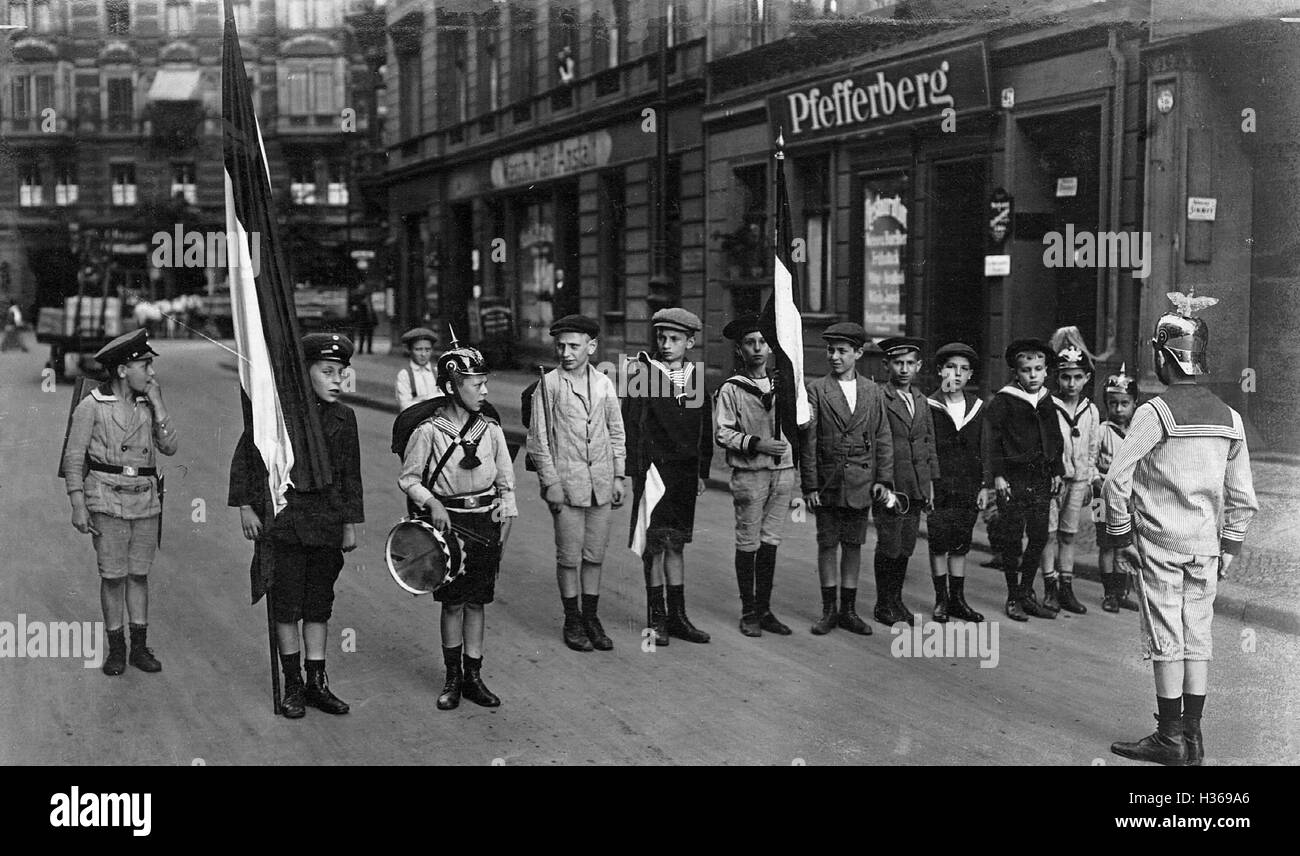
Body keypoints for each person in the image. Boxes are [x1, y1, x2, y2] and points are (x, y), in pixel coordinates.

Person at [1106, 293, 1258, 766]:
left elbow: (1117, 478)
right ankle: (1193, 739)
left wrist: (1120, 537)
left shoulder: (1155, 413)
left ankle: (1169, 738)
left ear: (1162, 355)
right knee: (1199, 638)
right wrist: (1229, 547)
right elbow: (1243, 495)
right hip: (1206, 548)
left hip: (1158, 546)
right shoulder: (1230, 418)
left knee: (1165, 639)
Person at [229, 333, 363, 719]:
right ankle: (292, 684)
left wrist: (352, 523)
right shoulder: (278, 414)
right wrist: (245, 507)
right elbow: (247, 458)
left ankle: (316, 681)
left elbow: (350, 476)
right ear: (305, 375)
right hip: (286, 523)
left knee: (319, 605)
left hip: (326, 524)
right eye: (327, 372)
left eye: (341, 372)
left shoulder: (344, 418)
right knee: (286, 606)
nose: (337, 380)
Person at [399, 335, 517, 709]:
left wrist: (506, 514)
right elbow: (409, 479)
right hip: (447, 526)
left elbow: (506, 483)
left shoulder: (493, 430)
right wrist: (431, 501)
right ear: (452, 386)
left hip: (485, 523)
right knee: (452, 604)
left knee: (478, 602)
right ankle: (451, 678)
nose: (485, 390)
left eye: (486, 383)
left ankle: (473, 678)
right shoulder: (429, 432)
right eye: (477, 384)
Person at [62, 329, 178, 675]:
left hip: (144, 498)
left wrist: (158, 404)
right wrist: (78, 503)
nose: (152, 373)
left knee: (139, 574)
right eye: (146, 365)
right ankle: (117, 648)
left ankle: (139, 648)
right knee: (113, 576)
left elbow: (170, 447)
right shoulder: (92, 406)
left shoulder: (148, 404)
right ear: (124, 369)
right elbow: (73, 458)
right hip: (106, 497)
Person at [527, 314, 626, 652]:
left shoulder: (604, 384)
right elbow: (538, 440)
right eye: (560, 346)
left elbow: (616, 432)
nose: (565, 352)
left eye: (573, 345)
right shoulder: (550, 384)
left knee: (595, 554)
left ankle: (592, 618)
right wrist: (550, 482)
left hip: (601, 483)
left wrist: (619, 475)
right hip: (566, 487)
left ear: (591, 346)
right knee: (569, 557)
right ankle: (572, 618)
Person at [624, 307, 713, 646]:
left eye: (675, 339)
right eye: (662, 337)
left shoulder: (697, 377)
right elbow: (631, 426)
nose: (666, 344)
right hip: (654, 473)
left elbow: (704, 427)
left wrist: (702, 471)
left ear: (690, 341)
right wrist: (634, 473)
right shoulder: (642, 374)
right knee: (654, 546)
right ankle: (656, 618)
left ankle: (677, 617)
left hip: (685, 475)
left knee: (677, 543)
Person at [799, 322, 893, 636]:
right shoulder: (817, 389)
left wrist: (884, 480)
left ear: (858, 353)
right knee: (827, 544)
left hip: (861, 481)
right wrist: (810, 484)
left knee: (853, 544)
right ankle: (829, 611)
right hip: (828, 481)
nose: (835, 357)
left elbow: (882, 437)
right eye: (831, 350)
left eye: (842, 351)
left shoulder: (872, 390)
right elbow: (809, 441)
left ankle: (849, 611)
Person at [714, 314, 795, 638]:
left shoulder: (784, 383)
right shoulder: (732, 389)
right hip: (751, 473)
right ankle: (748, 610)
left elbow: (803, 420)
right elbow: (723, 433)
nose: (757, 348)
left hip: (783, 471)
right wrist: (756, 443)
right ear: (739, 350)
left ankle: (765, 609)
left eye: (763, 342)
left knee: (770, 540)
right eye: (750, 343)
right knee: (748, 541)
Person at [982, 338, 1064, 621]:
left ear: (1045, 371)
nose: (1033, 375)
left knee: (1040, 536)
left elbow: (1055, 437)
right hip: (1014, 478)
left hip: (1040, 477)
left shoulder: (1046, 399)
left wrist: (1057, 470)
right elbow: (992, 440)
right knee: (1013, 538)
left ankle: (1027, 590)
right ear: (1016, 372)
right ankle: (1013, 595)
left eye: (1038, 369)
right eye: (1026, 370)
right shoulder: (1004, 400)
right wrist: (998, 475)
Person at [873, 337, 939, 627]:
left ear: (919, 366)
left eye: (909, 363)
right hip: (891, 483)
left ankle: (896, 599)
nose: (903, 369)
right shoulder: (879, 398)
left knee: (906, 545)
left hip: (915, 484)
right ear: (887, 365)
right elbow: (874, 441)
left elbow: (928, 442)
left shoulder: (922, 400)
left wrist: (930, 483)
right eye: (897, 363)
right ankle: (883, 603)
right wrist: (880, 481)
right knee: (889, 542)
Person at [925, 342, 988, 623]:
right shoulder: (928, 405)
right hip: (939, 484)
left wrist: (984, 485)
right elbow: (925, 448)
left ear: (970, 375)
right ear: (940, 371)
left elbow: (983, 448)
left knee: (961, 540)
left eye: (963, 369)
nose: (957, 374)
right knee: (939, 539)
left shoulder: (976, 408)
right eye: (951, 367)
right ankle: (941, 598)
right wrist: (926, 482)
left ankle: (957, 600)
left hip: (967, 484)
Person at [1040, 328, 1100, 615]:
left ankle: (1067, 588)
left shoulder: (1091, 410)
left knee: (1068, 535)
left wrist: (1088, 479)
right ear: (1057, 378)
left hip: (1077, 481)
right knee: (1049, 534)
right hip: (1054, 481)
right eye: (1066, 377)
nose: (1072, 383)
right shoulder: (1049, 406)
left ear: (1086, 379)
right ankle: (1049, 588)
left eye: (1077, 377)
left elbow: (1091, 449)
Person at [1095, 363, 1140, 613]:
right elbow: (1091, 460)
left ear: (1134, 403)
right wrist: (1096, 479)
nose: (1119, 409)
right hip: (1101, 496)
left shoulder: (1138, 432)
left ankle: (1123, 591)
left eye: (1125, 403)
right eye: (1113, 404)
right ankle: (1109, 592)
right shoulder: (1102, 431)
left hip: (1128, 497)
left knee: (1126, 540)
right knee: (1106, 543)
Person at [395, 326, 439, 411]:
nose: (423, 354)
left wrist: (421, 399)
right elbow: (405, 406)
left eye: (427, 350)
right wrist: (434, 399)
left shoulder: (438, 372)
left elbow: (446, 400)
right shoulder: (404, 375)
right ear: (409, 350)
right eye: (418, 349)